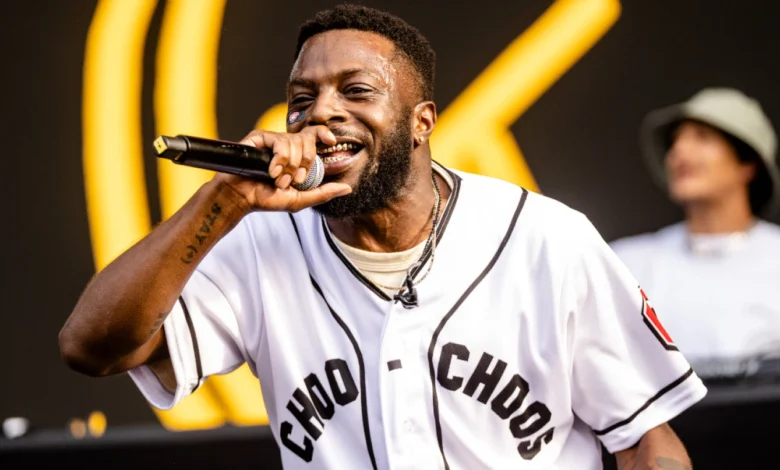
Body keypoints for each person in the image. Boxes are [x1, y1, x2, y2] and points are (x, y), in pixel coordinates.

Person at [59, 4, 705, 469]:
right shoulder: (260, 243)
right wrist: (224, 199)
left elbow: (648, 442)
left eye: (357, 90)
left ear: (422, 122)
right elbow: (90, 347)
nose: (322, 111)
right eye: (302, 98)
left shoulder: (546, 239)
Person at [611, 88, 780, 381]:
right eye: (675, 141)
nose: (679, 151)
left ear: (747, 164)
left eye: (702, 137)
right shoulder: (626, 264)